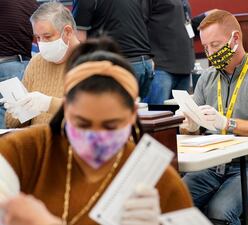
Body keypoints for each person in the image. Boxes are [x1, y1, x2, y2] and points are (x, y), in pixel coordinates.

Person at [0, 47, 192, 225]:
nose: (95, 137)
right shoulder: (30, 150)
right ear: (65, 109)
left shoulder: (157, 180)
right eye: (82, 123)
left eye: (110, 125)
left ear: (132, 114)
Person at [181, 10, 248, 225]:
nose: (210, 52)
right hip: (214, 164)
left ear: (235, 39)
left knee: (220, 212)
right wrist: (190, 126)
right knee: (174, 202)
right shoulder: (206, 78)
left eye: (215, 45)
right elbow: (195, 130)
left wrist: (226, 123)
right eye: (205, 47)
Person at [2, 2, 80, 128]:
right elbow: (12, 125)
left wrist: (48, 104)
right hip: (36, 143)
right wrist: (17, 112)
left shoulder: (90, 63)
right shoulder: (36, 62)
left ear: (68, 32)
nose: (41, 44)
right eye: (37, 38)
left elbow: (92, 113)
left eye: (47, 36)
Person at [72, 0, 154, 99]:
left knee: (111, 112)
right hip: (145, 63)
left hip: (118, 66)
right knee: (139, 112)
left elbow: (80, 39)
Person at [145, 0, 196, 104]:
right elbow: (139, 24)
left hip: (184, 66)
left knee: (179, 115)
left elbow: (182, 24)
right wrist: (146, 55)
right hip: (161, 66)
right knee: (158, 116)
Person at [0, 0, 38, 128]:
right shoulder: (32, 3)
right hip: (25, 66)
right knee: (19, 118)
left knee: (5, 122)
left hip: (4, 65)